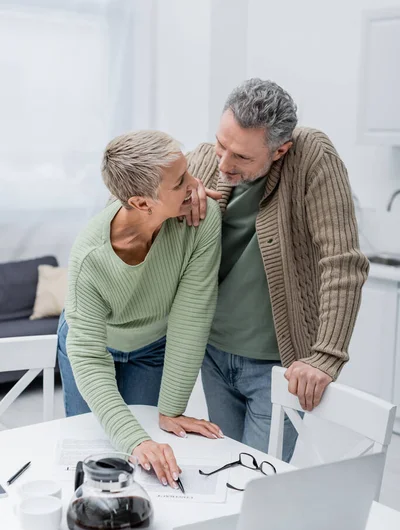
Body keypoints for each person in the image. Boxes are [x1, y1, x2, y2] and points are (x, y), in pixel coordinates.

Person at [185, 78, 369, 462]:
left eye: (242, 158)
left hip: (278, 369)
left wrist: (326, 356)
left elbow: (342, 261)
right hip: (214, 354)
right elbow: (132, 203)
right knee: (224, 472)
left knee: (258, 482)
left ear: (280, 150)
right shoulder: (203, 161)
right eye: (222, 145)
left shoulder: (311, 156)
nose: (224, 165)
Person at [57, 130, 223, 488]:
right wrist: (134, 439)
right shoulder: (90, 257)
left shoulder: (200, 220)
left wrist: (172, 409)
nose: (196, 186)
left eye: (188, 171)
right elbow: (87, 355)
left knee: (146, 461)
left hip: (152, 347)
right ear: (143, 203)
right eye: (181, 182)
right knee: (95, 455)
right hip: (93, 346)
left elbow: (191, 314)